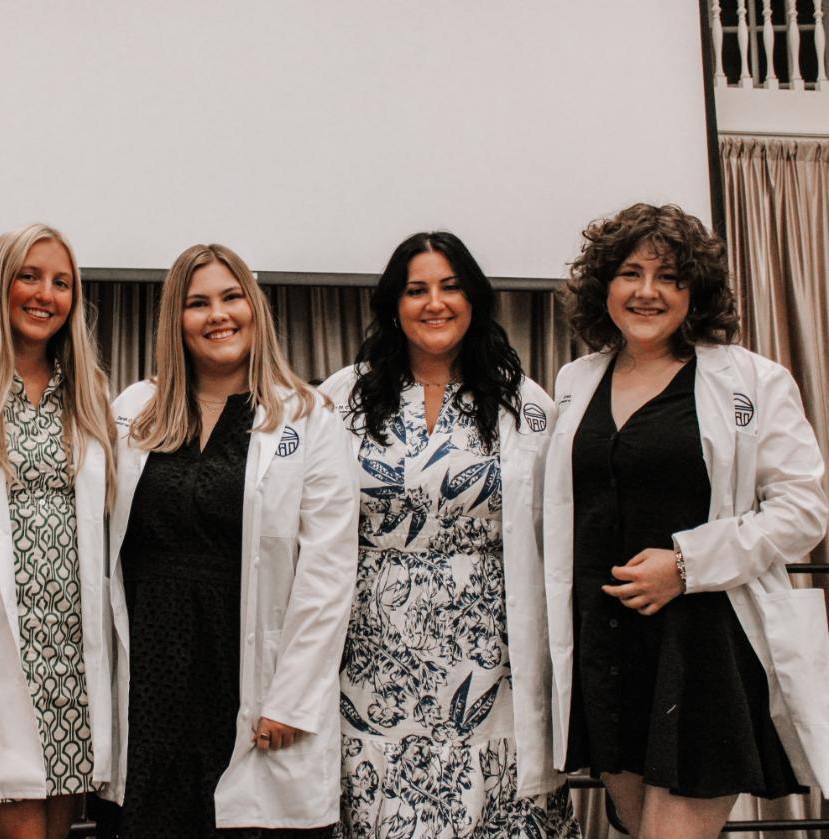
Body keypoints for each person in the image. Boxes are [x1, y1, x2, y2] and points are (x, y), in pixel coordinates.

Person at [544, 203, 829, 838]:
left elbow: (803, 509)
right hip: (606, 649)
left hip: (702, 650)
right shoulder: (573, 382)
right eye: (630, 273)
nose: (647, 292)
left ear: (694, 291)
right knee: (633, 826)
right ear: (604, 286)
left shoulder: (752, 380)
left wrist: (685, 564)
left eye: (669, 276)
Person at [320, 232, 581, 838]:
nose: (434, 303)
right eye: (416, 290)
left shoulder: (525, 403)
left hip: (491, 651)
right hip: (372, 652)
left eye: (450, 287)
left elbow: (560, 519)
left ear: (475, 300)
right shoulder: (341, 398)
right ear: (393, 304)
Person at [109, 243, 359, 837]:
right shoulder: (134, 409)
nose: (217, 314)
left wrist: (292, 698)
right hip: (151, 679)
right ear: (176, 320)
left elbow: (327, 570)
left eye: (230, 297)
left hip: (246, 673)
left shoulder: (308, 417)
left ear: (255, 307)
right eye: (197, 303)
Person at [0, 224, 117, 839]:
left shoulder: (87, 394)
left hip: (70, 661)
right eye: (29, 276)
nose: (45, 294)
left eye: (62, 283)